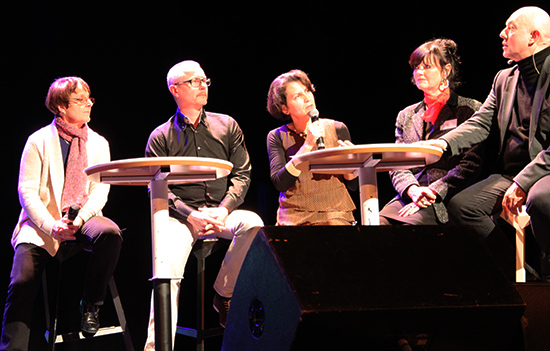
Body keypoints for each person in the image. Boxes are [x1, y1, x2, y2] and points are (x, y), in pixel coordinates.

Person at [422, 7, 550, 281]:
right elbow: (481, 123)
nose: (503, 34)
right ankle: (527, 279)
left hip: (545, 172)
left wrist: (524, 182)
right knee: (462, 207)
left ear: (534, 36)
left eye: (511, 28)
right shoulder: (504, 78)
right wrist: (442, 144)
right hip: (511, 175)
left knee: (542, 199)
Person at [143, 60, 263, 350]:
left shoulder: (227, 125)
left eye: (204, 80)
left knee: (254, 224)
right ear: (175, 89)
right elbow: (155, 187)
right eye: (194, 81)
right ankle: (157, 346)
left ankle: (223, 292)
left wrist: (224, 208)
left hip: (221, 212)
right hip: (180, 217)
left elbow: (243, 173)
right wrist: (190, 214)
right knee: (166, 268)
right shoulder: (161, 136)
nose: (202, 86)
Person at [0, 77, 123, 350]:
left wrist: (78, 220)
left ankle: (91, 304)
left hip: (84, 218)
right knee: (22, 281)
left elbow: (100, 191)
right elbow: (27, 191)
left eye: (89, 97)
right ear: (60, 106)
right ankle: (13, 348)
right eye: (80, 100)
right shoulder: (39, 141)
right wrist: (50, 225)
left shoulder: (98, 143)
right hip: (41, 222)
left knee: (111, 233)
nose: (88, 103)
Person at [379, 39, 484, 225]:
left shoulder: (469, 109)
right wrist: (412, 189)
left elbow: (471, 164)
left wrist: (435, 190)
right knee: (375, 225)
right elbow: (397, 164)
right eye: (416, 67)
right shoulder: (406, 115)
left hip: (448, 193)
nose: (419, 71)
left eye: (426, 66)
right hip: (412, 193)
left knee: (408, 228)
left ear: (446, 70)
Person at [266, 69, 357, 225]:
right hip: (293, 216)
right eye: (297, 96)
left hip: (335, 212)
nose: (307, 98)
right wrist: (307, 145)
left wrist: (351, 163)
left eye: (307, 91)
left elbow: (353, 185)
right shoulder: (277, 136)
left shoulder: (337, 128)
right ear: (284, 108)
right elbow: (280, 183)